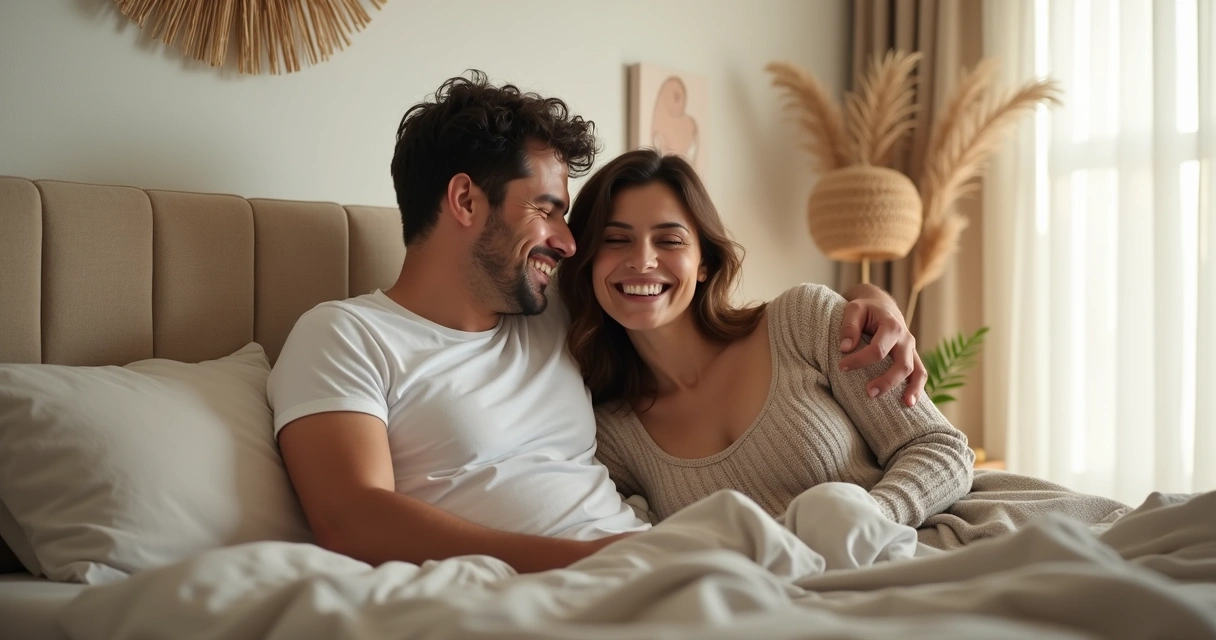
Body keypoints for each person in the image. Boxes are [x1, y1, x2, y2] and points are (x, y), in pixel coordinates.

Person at [267, 71, 927, 575]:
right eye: (549, 210)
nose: (569, 240)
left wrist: (872, 299)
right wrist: (588, 560)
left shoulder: (556, 315)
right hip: (590, 579)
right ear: (466, 199)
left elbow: (678, 294)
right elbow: (351, 518)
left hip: (655, 567)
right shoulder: (346, 336)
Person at [557, 149, 974, 528]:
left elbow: (940, 448)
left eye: (669, 240)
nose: (643, 260)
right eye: (615, 240)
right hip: (800, 603)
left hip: (928, 547)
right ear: (588, 261)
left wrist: (868, 521)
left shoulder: (799, 320)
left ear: (704, 262)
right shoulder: (613, 435)